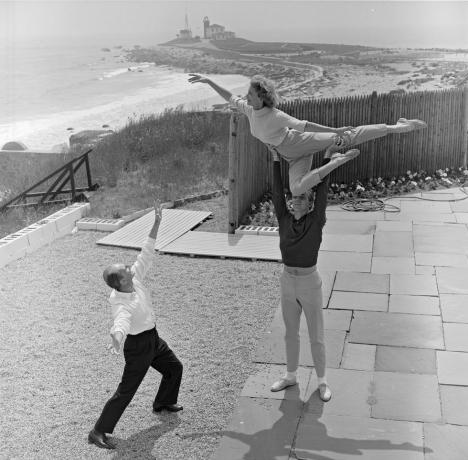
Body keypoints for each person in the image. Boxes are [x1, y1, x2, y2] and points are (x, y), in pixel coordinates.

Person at [188, 73, 427, 196]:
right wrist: (209, 81)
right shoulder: (249, 110)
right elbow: (228, 96)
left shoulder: (276, 114)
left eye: (250, 94)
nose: (246, 97)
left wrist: (335, 131)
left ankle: (398, 126)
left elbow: (306, 125)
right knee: (296, 189)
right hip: (292, 157)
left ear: (261, 97)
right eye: (247, 94)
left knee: (348, 136)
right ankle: (334, 161)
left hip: (299, 141)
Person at [269, 143, 360, 402]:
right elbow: (277, 193)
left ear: (309, 204)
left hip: (309, 283)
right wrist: (276, 159)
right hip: (288, 282)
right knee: (290, 333)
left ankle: (322, 382)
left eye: (301, 198)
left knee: (316, 336)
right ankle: (290, 376)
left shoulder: (316, 221)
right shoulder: (284, 219)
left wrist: (328, 157)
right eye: (293, 197)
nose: (294, 200)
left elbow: (322, 189)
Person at [88, 202, 183, 450]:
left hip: (153, 339)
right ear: (120, 282)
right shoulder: (121, 301)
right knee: (126, 391)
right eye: (125, 270)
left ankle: (163, 402)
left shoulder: (135, 279)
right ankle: (97, 431)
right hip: (138, 347)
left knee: (174, 368)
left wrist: (157, 222)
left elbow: (146, 252)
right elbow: (121, 322)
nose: (130, 268)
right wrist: (116, 338)